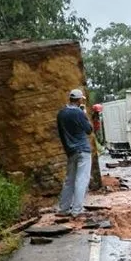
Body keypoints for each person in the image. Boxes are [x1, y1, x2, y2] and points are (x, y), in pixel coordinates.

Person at [56, 88, 93, 218]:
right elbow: (89, 130)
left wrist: (67, 149)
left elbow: (61, 134)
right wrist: (84, 113)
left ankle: (63, 209)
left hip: (71, 151)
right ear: (78, 100)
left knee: (69, 180)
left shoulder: (61, 114)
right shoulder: (79, 113)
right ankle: (77, 210)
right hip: (83, 150)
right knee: (81, 179)